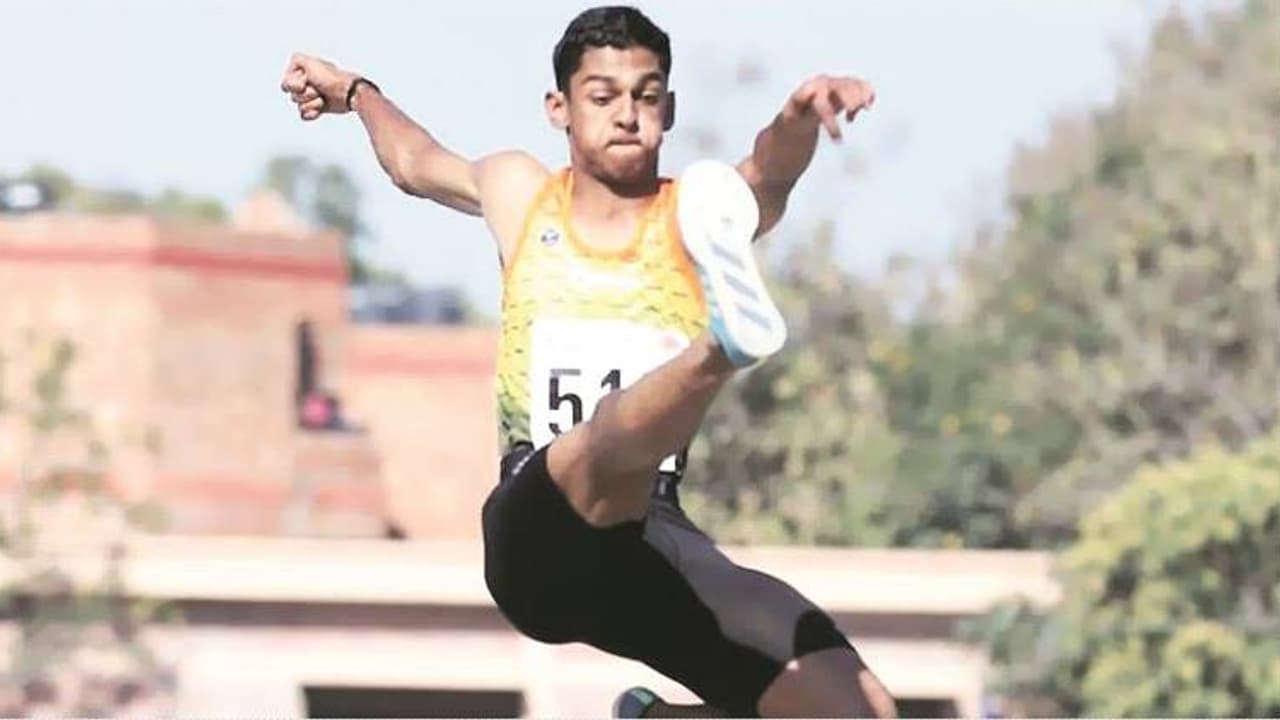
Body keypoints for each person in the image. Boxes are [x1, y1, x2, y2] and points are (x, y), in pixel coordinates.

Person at [281, 5, 897, 717]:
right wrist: (357, 92)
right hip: (538, 534)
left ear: (669, 107)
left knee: (860, 707)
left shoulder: (699, 216)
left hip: (648, 541)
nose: (628, 115)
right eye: (603, 98)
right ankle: (720, 349)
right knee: (602, 447)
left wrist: (799, 116)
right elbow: (414, 164)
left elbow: (767, 169)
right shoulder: (522, 197)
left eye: (647, 95)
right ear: (561, 109)